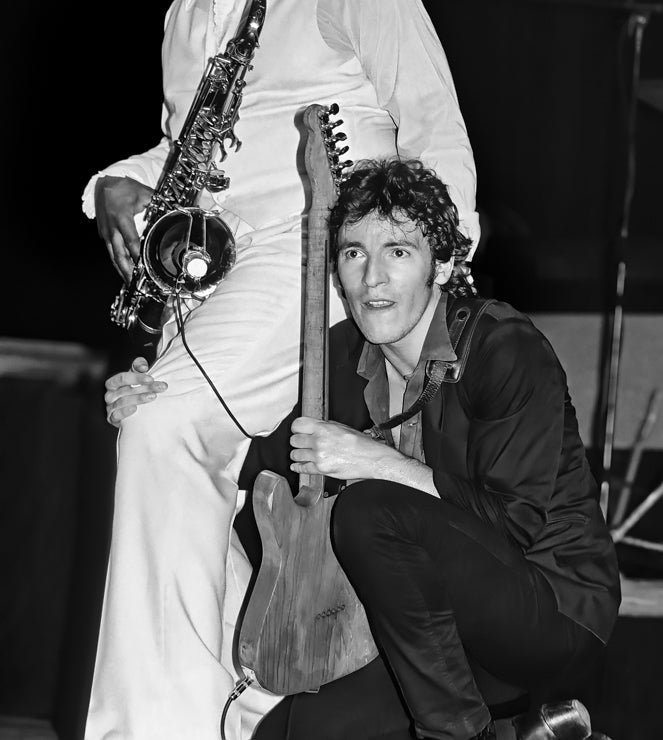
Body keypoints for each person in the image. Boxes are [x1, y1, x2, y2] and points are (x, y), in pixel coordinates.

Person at [83, 0, 480, 740]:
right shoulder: (190, 11)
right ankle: (249, 707)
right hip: (214, 274)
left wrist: (427, 306)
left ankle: (157, 728)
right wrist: (114, 185)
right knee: (166, 464)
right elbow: (190, 151)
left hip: (319, 262)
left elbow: (438, 138)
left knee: (167, 433)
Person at [112, 158, 620, 740]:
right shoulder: (337, 362)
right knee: (293, 733)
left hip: (550, 614)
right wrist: (154, 404)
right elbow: (243, 470)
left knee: (370, 511)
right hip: (429, 637)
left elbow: (516, 525)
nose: (373, 279)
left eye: (398, 252)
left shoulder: (503, 348)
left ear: (445, 264)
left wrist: (377, 463)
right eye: (355, 253)